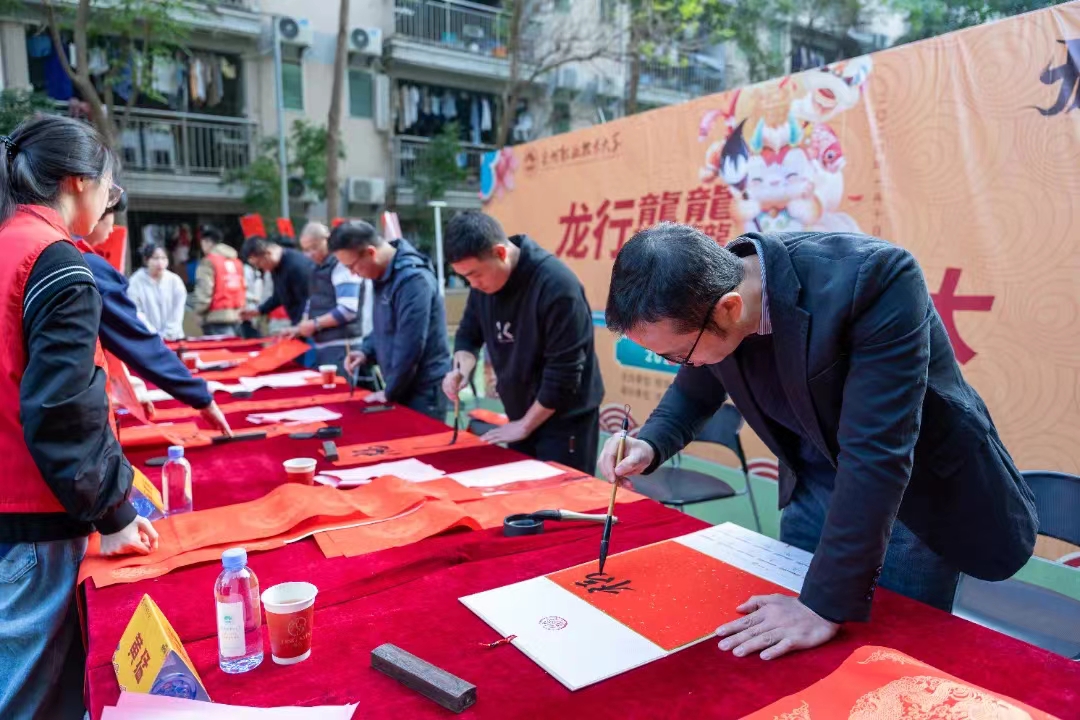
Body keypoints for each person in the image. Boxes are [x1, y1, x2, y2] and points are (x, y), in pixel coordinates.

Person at [599, 224, 1038, 661]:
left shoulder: (874, 278)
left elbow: (876, 453)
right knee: (789, 641)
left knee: (886, 654)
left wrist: (822, 604)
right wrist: (649, 444)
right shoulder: (707, 297)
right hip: (811, 476)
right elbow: (695, 389)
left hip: (904, 495)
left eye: (677, 354)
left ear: (731, 308)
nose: (679, 364)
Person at [0, 116, 161, 719]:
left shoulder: (9, 244)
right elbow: (64, 409)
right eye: (109, 187)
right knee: (27, 698)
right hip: (33, 516)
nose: (108, 202)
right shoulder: (56, 262)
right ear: (77, 182)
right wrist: (113, 512)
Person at [441, 211, 604, 473]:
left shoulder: (556, 285)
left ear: (500, 253)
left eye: (475, 274)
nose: (473, 284)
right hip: (519, 415)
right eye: (465, 278)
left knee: (560, 494)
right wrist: (460, 370)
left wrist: (525, 425)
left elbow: (564, 374)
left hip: (564, 421)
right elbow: (468, 334)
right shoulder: (483, 285)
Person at [76, 193, 232, 435]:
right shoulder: (89, 266)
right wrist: (199, 395)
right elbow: (132, 332)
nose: (112, 227)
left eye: (163, 257)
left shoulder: (37, 245)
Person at [329, 222, 452, 420]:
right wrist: (365, 351)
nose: (352, 273)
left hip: (423, 389)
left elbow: (410, 344)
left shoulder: (413, 279)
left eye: (351, 266)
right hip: (401, 383)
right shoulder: (382, 273)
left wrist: (390, 392)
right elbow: (385, 326)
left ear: (371, 252)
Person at [289, 221, 373, 373]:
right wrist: (303, 323)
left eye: (314, 247)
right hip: (323, 343)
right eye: (306, 250)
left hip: (343, 344)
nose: (310, 254)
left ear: (327, 240)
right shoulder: (316, 267)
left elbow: (348, 309)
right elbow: (312, 299)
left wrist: (314, 324)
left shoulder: (342, 265)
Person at [240, 235, 315, 327]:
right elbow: (279, 294)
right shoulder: (275, 267)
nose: (259, 268)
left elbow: (309, 299)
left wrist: (300, 326)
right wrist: (259, 310)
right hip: (300, 323)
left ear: (267, 253)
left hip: (311, 322)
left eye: (258, 263)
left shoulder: (296, 266)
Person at [190, 225, 246, 337]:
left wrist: (198, 312)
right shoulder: (237, 262)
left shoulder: (208, 262)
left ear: (207, 242)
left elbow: (204, 289)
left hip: (216, 317)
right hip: (237, 316)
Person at [126, 241, 187, 340]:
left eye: (163, 258)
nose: (160, 262)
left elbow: (178, 310)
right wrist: (153, 333)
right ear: (146, 260)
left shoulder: (175, 281)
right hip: (148, 338)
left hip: (174, 337)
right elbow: (136, 311)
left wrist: (169, 333)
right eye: (155, 258)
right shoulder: (135, 281)